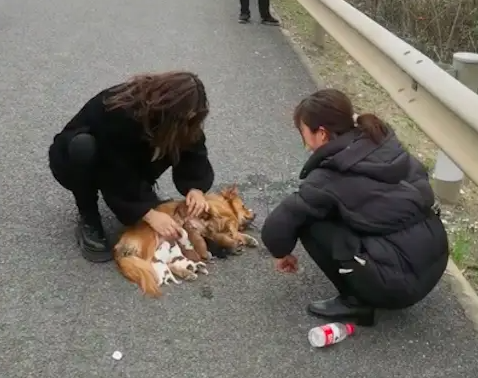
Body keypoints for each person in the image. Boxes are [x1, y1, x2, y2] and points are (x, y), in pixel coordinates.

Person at [261, 89, 449, 326]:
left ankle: (356, 303)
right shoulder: (380, 142)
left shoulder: (329, 176)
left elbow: (280, 222)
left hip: (399, 287)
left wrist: (281, 252)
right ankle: (373, 275)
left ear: (321, 133)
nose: (303, 140)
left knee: (309, 222)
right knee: (332, 208)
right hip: (434, 260)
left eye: (303, 131)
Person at [48, 71, 214, 263]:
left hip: (124, 161)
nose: (189, 120)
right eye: (184, 117)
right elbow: (114, 168)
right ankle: (89, 217)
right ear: (164, 106)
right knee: (84, 147)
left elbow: (193, 146)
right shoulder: (117, 109)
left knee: (175, 135)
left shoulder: (182, 117)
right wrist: (148, 213)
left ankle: (140, 196)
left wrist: (195, 187)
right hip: (78, 159)